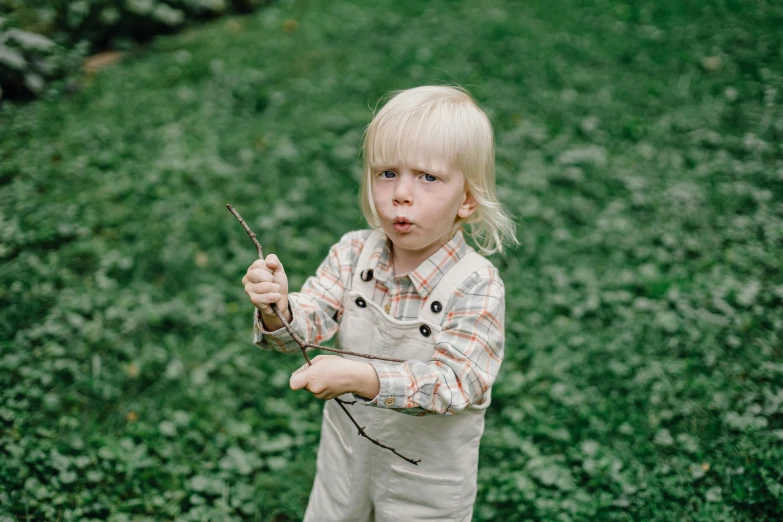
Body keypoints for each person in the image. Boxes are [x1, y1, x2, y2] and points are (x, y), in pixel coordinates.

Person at [242, 85, 517, 522]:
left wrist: (361, 377)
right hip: (346, 460)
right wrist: (278, 307)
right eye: (387, 173)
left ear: (467, 198)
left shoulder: (475, 284)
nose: (401, 193)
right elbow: (306, 325)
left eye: (428, 177)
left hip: (426, 481)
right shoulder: (354, 254)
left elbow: (456, 383)